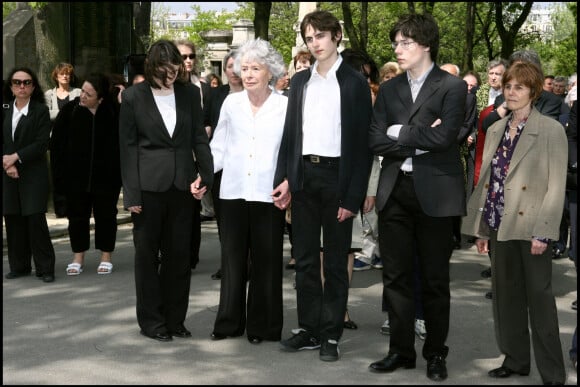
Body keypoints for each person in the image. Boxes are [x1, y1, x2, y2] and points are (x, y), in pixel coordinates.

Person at [367, 14, 467, 381]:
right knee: (395, 276)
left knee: (435, 279)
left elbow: (445, 140)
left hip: (436, 194)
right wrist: (416, 134)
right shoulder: (390, 89)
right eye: (396, 43)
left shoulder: (452, 87)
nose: (397, 49)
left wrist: (399, 133)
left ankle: (436, 354)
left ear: (425, 45)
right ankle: (400, 351)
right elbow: (374, 138)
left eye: (405, 42)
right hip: (395, 191)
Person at [273, 10, 373, 363]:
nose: (315, 43)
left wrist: (353, 195)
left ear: (336, 36)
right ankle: (310, 329)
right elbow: (290, 136)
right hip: (303, 178)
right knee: (302, 260)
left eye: (320, 36)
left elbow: (363, 146)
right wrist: (284, 180)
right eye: (309, 37)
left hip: (338, 179)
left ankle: (331, 334)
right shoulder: (300, 82)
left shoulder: (354, 82)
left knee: (334, 263)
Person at [462, 61, 567, 385]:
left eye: (519, 86)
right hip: (499, 226)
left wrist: (544, 232)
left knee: (541, 303)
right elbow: (489, 182)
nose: (512, 91)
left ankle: (552, 373)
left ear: (534, 91)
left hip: (532, 228)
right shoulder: (495, 128)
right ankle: (516, 359)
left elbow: (556, 186)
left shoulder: (550, 129)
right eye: (508, 86)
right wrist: (481, 229)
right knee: (506, 300)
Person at [118, 39, 214, 342]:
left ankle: (175, 319)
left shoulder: (189, 94)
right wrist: (131, 195)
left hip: (183, 185)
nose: (170, 76)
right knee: (147, 257)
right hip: (147, 189)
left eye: (175, 70)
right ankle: (152, 321)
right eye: (164, 71)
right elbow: (128, 148)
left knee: (179, 256)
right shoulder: (133, 97)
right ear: (151, 67)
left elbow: (199, 138)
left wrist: (206, 176)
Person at [209, 38, 287, 345]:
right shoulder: (231, 103)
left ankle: (263, 326)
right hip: (233, 191)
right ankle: (228, 322)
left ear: (270, 71)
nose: (249, 74)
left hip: (269, 192)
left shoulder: (284, 105)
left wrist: (289, 182)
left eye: (256, 68)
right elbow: (219, 145)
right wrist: (203, 175)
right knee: (232, 259)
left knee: (267, 261)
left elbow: (291, 149)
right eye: (245, 68)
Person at [50, 73, 121, 276]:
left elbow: (122, 145)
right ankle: (78, 256)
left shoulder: (113, 113)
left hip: (107, 179)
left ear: (100, 98)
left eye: (88, 94)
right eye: (82, 91)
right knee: (77, 217)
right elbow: (56, 146)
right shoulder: (70, 112)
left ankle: (106, 256)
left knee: (106, 216)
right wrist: (60, 176)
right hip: (76, 179)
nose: (82, 96)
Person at [3, 67, 56, 283]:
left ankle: (45, 268)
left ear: (33, 87)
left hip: (33, 173)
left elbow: (42, 143)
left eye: (26, 82)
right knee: (13, 219)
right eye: (17, 82)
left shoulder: (40, 111)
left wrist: (15, 157)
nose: (21, 86)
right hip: (7, 172)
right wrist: (7, 164)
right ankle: (20, 266)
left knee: (35, 219)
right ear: (11, 86)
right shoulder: (4, 110)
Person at [204, 50, 244, 281]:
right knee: (224, 220)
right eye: (230, 66)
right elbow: (206, 120)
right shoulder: (216, 94)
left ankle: (247, 262)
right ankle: (228, 264)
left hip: (244, 166)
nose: (235, 71)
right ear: (225, 70)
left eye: (239, 66)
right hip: (221, 165)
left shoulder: (254, 94)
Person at [175, 38, 212, 271]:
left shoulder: (204, 88)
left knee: (193, 206)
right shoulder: (169, 88)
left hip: (199, 153)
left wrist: (207, 128)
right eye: (183, 57)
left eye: (191, 56)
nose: (187, 61)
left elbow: (210, 118)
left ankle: (191, 255)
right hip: (178, 156)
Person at [45, 63, 82, 218]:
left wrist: (59, 113)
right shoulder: (48, 94)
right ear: (56, 76)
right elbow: (46, 115)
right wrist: (66, 111)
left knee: (75, 174)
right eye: (62, 74)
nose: (65, 76)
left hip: (75, 140)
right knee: (57, 174)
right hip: (56, 140)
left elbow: (80, 112)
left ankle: (76, 207)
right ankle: (60, 209)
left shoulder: (78, 92)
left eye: (67, 74)